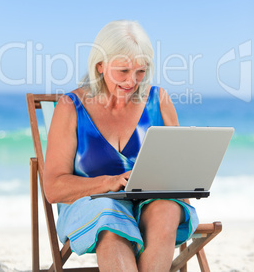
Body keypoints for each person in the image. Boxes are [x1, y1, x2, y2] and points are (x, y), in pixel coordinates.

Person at [44, 20, 199, 272]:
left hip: (149, 204)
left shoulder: (159, 101)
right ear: (100, 66)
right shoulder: (70, 107)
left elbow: (176, 170)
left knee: (168, 210)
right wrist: (108, 182)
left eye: (141, 71)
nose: (132, 81)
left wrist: (186, 187)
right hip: (90, 205)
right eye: (123, 71)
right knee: (109, 213)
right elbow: (53, 188)